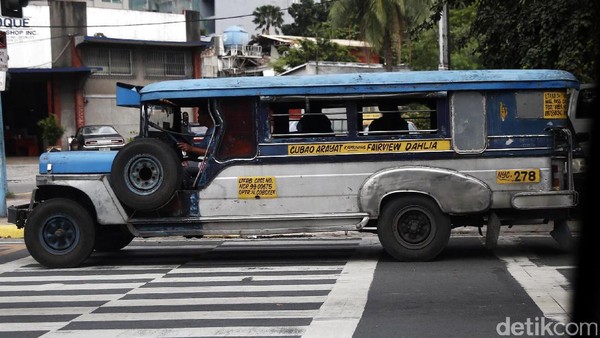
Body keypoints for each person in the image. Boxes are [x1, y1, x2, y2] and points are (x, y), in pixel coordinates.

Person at [177, 111, 214, 188]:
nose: (197, 117)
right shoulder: (209, 130)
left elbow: (212, 152)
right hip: (207, 161)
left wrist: (191, 148)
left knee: (184, 167)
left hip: (211, 164)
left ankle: (187, 192)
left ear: (208, 116)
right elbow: (201, 148)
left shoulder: (214, 131)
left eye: (199, 114)